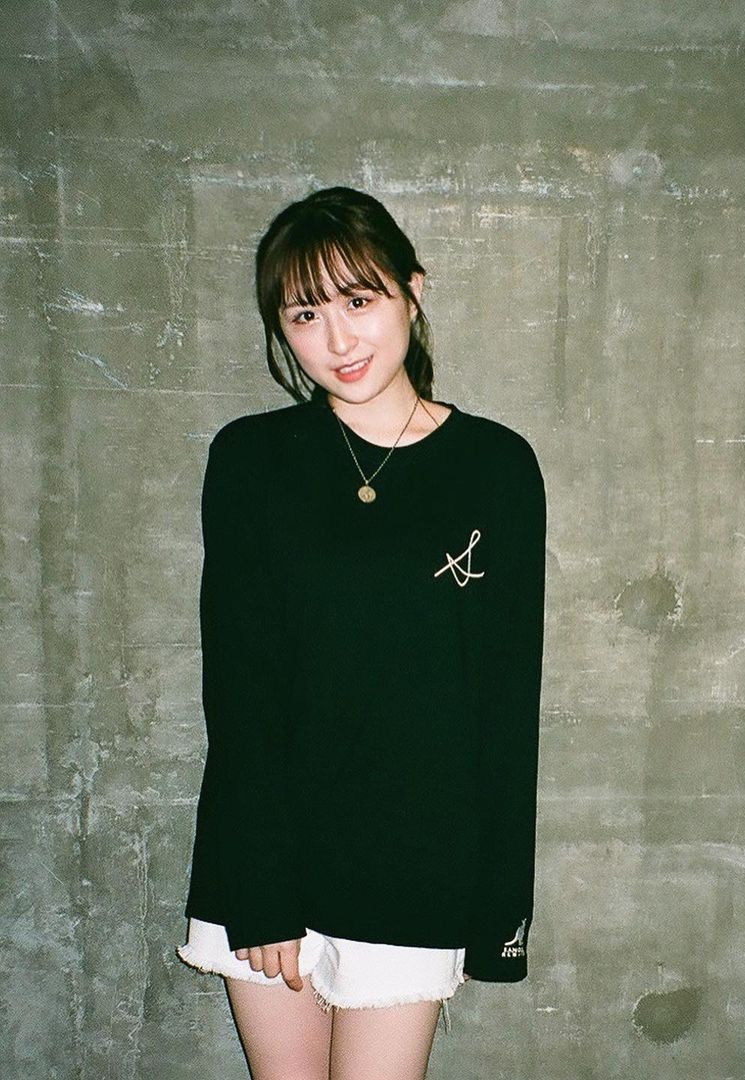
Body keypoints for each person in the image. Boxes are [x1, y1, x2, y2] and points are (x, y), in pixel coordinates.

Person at [174, 186, 547, 1080]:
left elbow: (505, 702)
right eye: (305, 314)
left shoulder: (496, 466)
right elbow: (241, 688)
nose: (338, 339)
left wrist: (502, 914)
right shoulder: (252, 460)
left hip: (418, 862)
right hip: (269, 855)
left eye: (358, 299)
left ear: (412, 291)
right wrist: (259, 888)